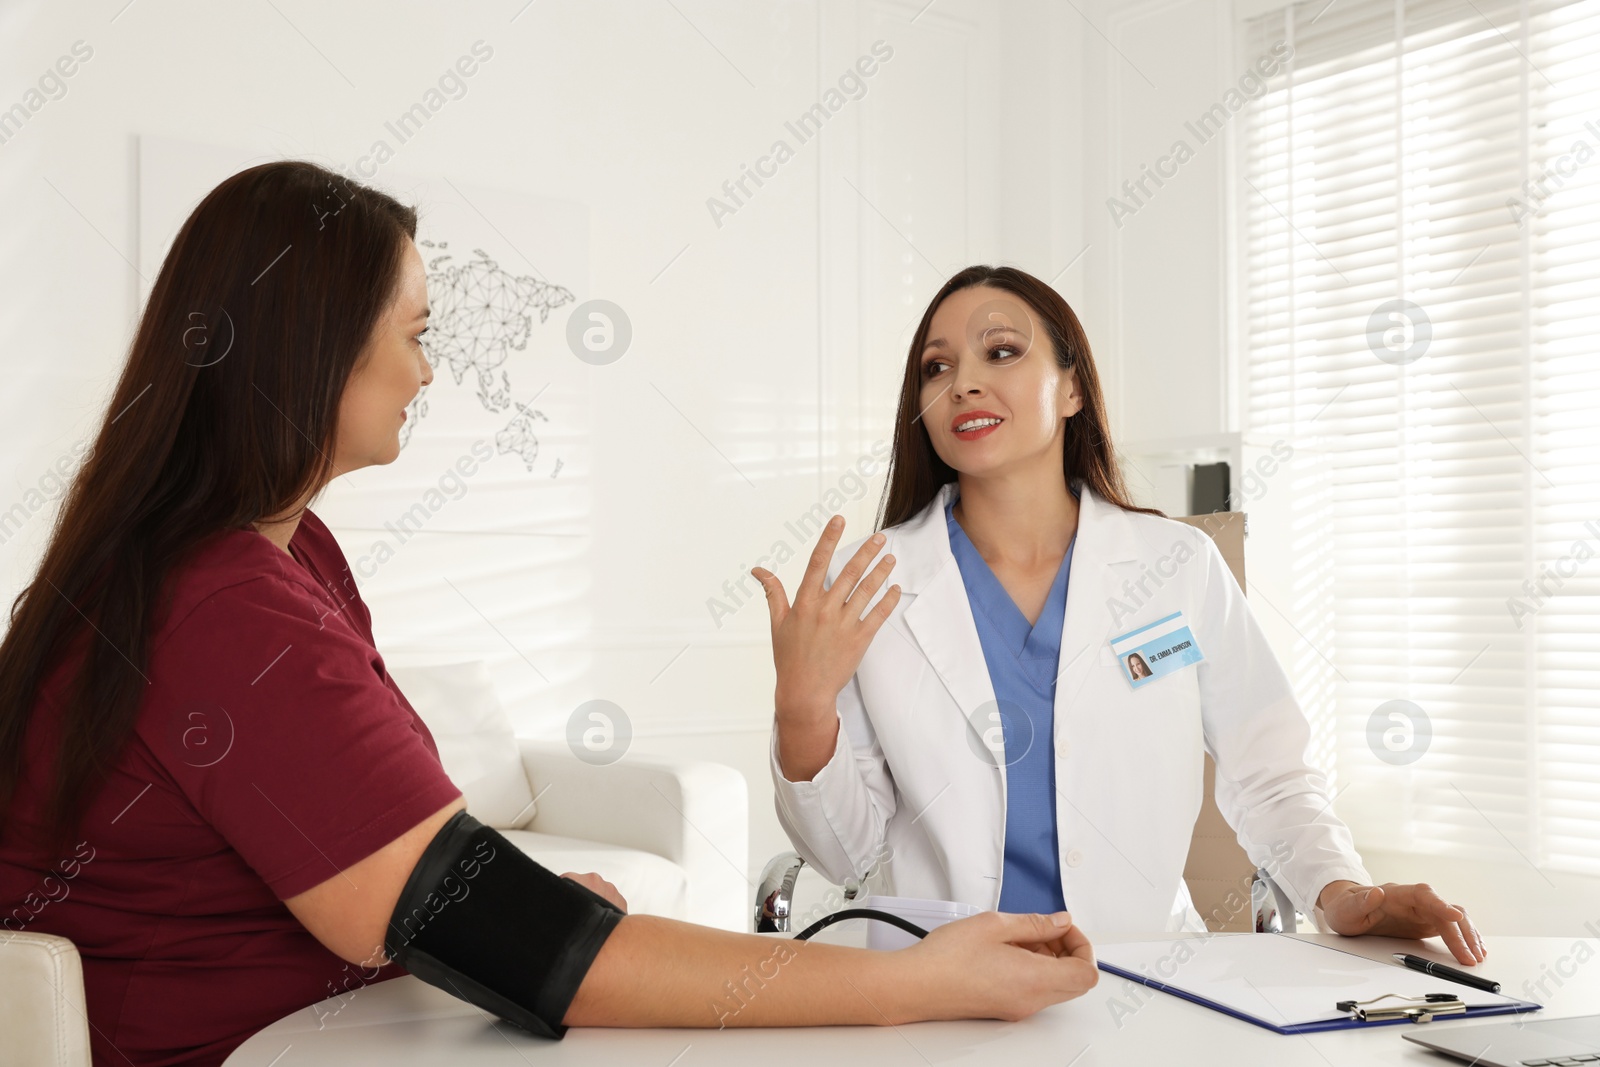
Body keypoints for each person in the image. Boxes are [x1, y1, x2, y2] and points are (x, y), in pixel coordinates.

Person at [0, 166, 1097, 1067]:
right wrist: (911, 983)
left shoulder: (284, 558)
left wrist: (493, 903)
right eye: (415, 333)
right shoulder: (224, 605)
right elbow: (507, 944)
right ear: (315, 346)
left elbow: (384, 878)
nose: (428, 371)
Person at [753, 265, 1486, 966]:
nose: (962, 382)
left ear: (1072, 387)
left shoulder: (1178, 565)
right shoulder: (873, 586)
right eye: (935, 368)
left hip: (1142, 978)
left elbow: (1272, 775)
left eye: (1001, 351)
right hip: (942, 992)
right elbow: (846, 855)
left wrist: (1343, 891)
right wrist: (803, 711)